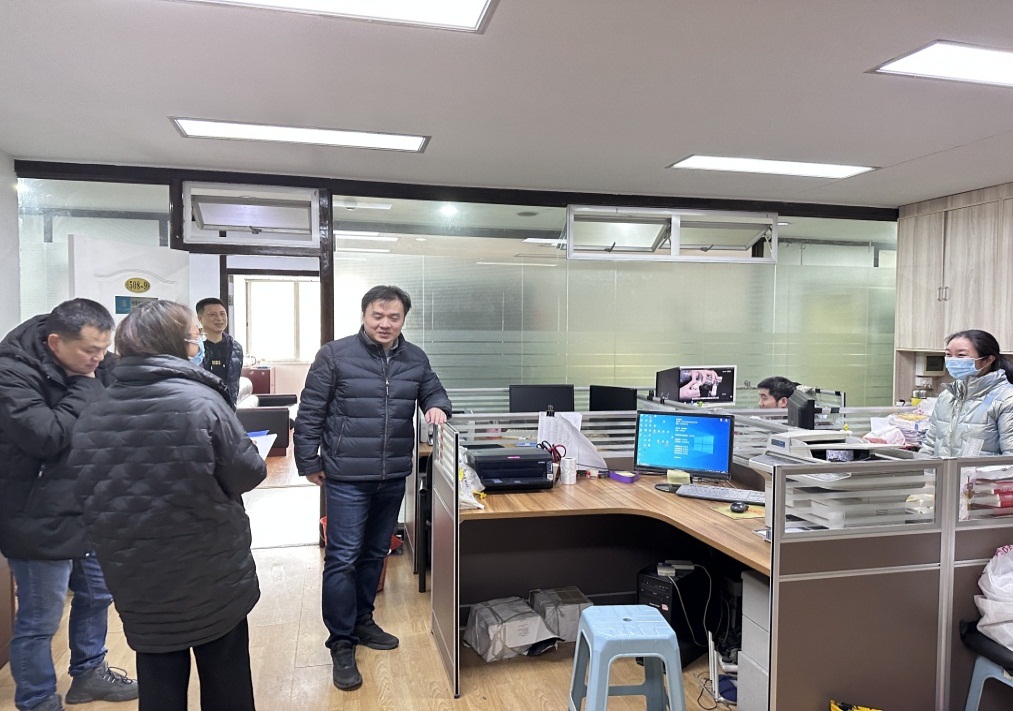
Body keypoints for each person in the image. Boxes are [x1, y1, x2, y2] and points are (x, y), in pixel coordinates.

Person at [65, 300, 266, 711]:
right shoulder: (202, 402)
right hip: (210, 569)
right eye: (193, 334)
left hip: (135, 572)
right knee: (226, 674)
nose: (197, 341)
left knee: (158, 676)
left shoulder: (93, 411)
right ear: (178, 343)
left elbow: (85, 489)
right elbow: (247, 472)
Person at [295, 285, 452, 692]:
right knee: (343, 558)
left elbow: (433, 389)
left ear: (403, 319)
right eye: (377, 316)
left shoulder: (415, 358)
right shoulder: (335, 355)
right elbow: (310, 411)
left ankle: (363, 621)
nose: (385, 324)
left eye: (393, 317)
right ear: (364, 315)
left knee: (374, 554)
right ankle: (341, 641)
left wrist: (437, 405)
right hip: (346, 475)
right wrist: (308, 461)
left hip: (392, 474)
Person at [0, 298, 138, 711]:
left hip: (90, 505)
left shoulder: (96, 363)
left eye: (104, 349)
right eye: (90, 351)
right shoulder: (11, 371)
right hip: (36, 514)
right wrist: (86, 385)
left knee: (98, 596)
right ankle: (38, 699)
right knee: (40, 620)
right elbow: (45, 436)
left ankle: (90, 673)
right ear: (55, 342)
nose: (99, 359)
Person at [920, 329, 1013, 457]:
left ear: (988, 360)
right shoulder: (947, 396)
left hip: (982, 471)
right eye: (948, 355)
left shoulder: (1007, 399)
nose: (952, 360)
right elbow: (929, 445)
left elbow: (1010, 456)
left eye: (961, 355)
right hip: (944, 470)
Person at [195, 297, 244, 408]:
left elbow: (234, 383)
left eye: (222, 314)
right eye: (212, 314)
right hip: (200, 407)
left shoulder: (235, 348)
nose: (219, 318)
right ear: (200, 318)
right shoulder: (192, 346)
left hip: (227, 408)